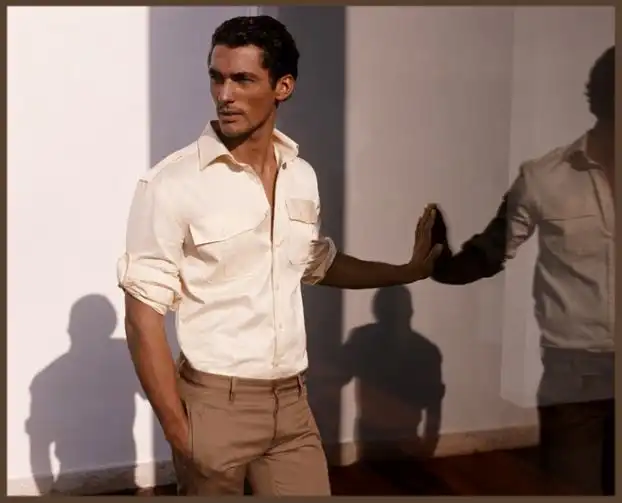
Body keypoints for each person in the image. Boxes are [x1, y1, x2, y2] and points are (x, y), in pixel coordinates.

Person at [117, 15, 442, 496]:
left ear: (282, 86)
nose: (225, 94)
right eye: (217, 78)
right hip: (213, 403)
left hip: (291, 402)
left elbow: (316, 262)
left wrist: (408, 271)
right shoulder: (171, 183)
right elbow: (142, 318)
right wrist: (178, 431)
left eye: (242, 79)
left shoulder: (300, 175)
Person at [431, 46, 614, 495]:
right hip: (577, 373)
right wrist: (438, 262)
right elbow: (489, 252)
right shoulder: (544, 178)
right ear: (601, 97)